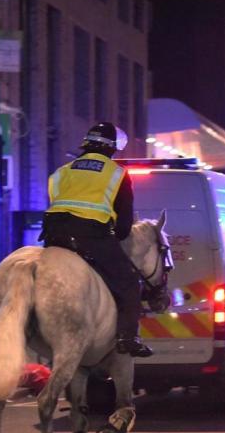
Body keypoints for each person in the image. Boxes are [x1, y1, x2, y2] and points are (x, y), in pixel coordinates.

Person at [41, 121, 152, 357]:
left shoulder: (62, 171)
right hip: (91, 237)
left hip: (54, 235)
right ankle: (127, 338)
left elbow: (55, 202)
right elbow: (123, 227)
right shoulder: (117, 174)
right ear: (111, 148)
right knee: (130, 283)